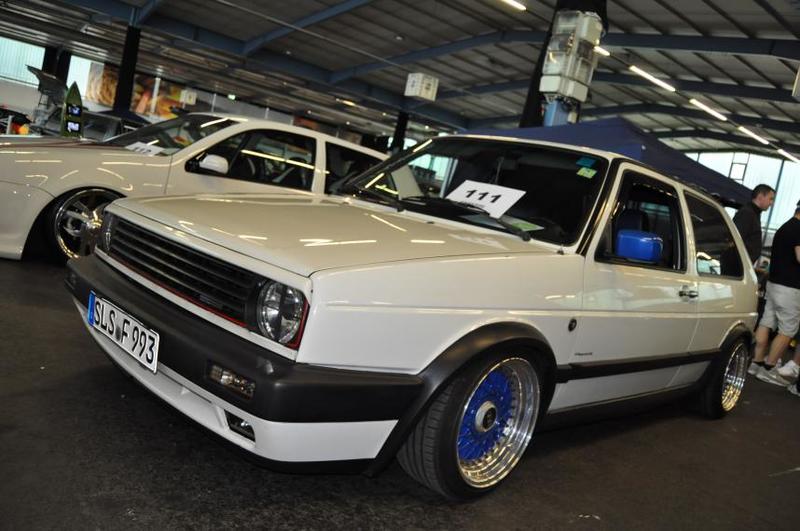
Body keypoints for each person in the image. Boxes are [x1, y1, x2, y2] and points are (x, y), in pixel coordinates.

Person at [749, 201, 800, 383]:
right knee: (787, 329)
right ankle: (769, 368)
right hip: (790, 288)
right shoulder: (798, 229)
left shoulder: (784, 227)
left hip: (774, 283)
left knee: (766, 322)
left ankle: (756, 362)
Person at [733, 184, 775, 265]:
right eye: (770, 199)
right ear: (760, 196)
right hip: (737, 265)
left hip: (743, 264)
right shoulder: (747, 213)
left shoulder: (754, 214)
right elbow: (736, 239)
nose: (771, 203)